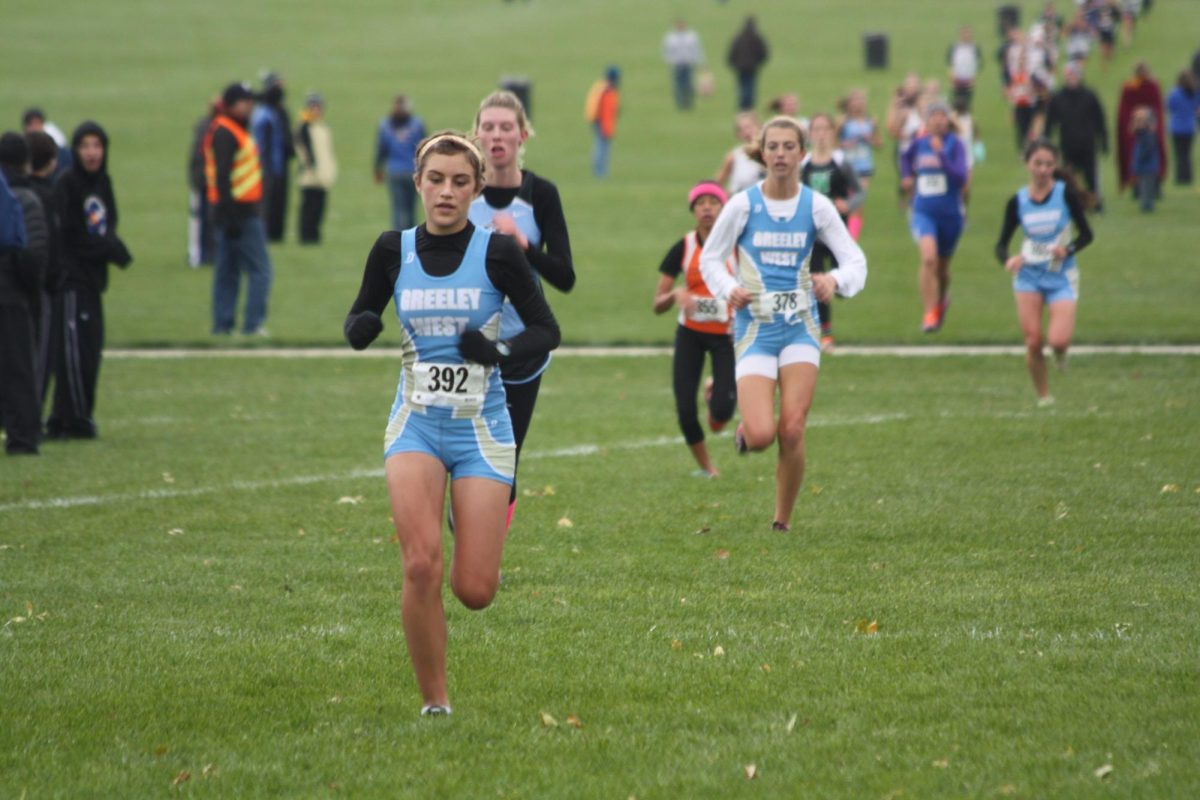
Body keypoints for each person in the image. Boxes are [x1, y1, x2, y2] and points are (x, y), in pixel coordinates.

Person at [341, 131, 560, 716]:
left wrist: (500, 352)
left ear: (476, 189)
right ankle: (435, 702)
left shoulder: (498, 253)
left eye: (460, 181)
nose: (446, 191)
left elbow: (546, 330)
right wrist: (359, 325)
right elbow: (361, 309)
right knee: (419, 565)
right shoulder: (393, 249)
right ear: (417, 183)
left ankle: (466, 521)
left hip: (481, 431)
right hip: (415, 425)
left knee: (475, 591)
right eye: (435, 179)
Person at [699, 116, 867, 532]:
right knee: (761, 436)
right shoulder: (742, 204)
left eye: (788, 147)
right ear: (762, 152)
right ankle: (747, 428)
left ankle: (782, 521)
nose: (780, 155)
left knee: (792, 428)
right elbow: (709, 258)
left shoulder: (816, 206)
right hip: (755, 329)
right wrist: (727, 288)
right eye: (772, 147)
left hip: (800, 328)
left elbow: (855, 262)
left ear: (802, 153)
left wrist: (833, 280)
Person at [468, 90, 576, 527]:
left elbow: (565, 277)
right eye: (489, 127)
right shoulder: (461, 194)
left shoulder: (541, 195)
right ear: (476, 135)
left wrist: (524, 245)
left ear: (522, 134)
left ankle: (485, 555)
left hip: (521, 349)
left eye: (506, 127)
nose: (497, 136)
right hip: (466, 348)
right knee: (465, 457)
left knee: (504, 460)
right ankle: (467, 530)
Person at [46, 121, 132, 440]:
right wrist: (111, 249)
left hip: (94, 280)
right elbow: (69, 235)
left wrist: (111, 246)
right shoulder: (68, 184)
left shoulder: (102, 182)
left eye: (97, 146)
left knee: (91, 349)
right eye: (85, 146)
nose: (92, 153)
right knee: (73, 353)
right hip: (71, 281)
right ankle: (75, 420)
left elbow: (107, 224)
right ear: (76, 150)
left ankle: (66, 417)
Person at [995, 139, 1094, 405]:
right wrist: (1009, 259)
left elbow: (1086, 235)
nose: (1043, 169)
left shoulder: (1065, 194)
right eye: (1038, 163)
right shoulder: (1017, 201)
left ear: (1054, 166)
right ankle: (1044, 396)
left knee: (1058, 340)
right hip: (1028, 276)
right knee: (1034, 341)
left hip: (1061, 276)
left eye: (1049, 164)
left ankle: (1061, 355)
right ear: (1028, 164)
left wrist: (1068, 249)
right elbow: (1001, 244)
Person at [652, 181, 736, 477]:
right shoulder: (684, 247)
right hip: (690, 335)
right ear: (693, 210)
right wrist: (676, 295)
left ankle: (715, 394)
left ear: (723, 209)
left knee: (724, 412)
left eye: (714, 202)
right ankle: (707, 469)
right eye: (701, 203)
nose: (707, 208)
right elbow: (657, 303)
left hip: (727, 336)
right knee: (685, 409)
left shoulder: (736, 247)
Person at [204, 82, 273, 337]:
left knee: (228, 271)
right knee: (260, 271)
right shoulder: (226, 132)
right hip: (239, 214)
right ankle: (252, 325)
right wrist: (231, 216)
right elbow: (222, 176)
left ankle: (223, 326)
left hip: (231, 214)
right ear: (232, 104)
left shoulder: (232, 129)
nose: (250, 105)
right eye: (245, 101)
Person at [900, 101, 968, 333]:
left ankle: (941, 300)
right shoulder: (918, 143)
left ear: (948, 120)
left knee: (942, 270)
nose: (938, 120)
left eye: (942, 116)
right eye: (933, 116)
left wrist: (942, 155)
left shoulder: (955, 144)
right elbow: (905, 159)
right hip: (923, 211)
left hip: (950, 215)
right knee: (928, 259)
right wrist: (907, 177)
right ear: (926, 121)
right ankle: (929, 313)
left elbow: (960, 178)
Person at [0, 133, 48, 455]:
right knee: (19, 368)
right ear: (25, 162)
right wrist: (33, 292)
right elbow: (27, 251)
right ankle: (23, 437)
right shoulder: (24, 198)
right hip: (11, 293)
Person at [801, 112, 865, 352]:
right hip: (813, 235)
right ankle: (825, 333)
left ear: (832, 133)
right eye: (816, 129)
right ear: (810, 134)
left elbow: (859, 192)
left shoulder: (841, 162)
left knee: (843, 282)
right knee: (817, 280)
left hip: (838, 234)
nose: (820, 134)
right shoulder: (804, 164)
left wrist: (848, 205)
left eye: (825, 129)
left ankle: (838, 292)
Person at [24, 131, 61, 408]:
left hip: (15, 284)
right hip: (41, 288)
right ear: (52, 162)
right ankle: (29, 420)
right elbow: (51, 246)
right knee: (40, 357)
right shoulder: (47, 197)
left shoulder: (14, 193)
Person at [1045, 61, 1109, 208]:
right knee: (1068, 178)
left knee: (1091, 177)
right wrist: (1046, 141)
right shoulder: (1058, 97)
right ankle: (1070, 206)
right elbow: (1050, 121)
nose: (1071, 79)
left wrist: (1104, 140)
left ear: (1080, 77)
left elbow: (1100, 119)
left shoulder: (1090, 96)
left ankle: (1096, 204)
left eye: (1074, 76)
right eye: (1069, 76)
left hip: (1088, 144)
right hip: (1068, 144)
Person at [250, 72, 295, 243]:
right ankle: (266, 234)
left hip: (274, 165)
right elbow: (266, 145)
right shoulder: (266, 115)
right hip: (268, 166)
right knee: (267, 203)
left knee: (275, 202)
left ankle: (273, 235)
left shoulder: (267, 112)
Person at [375, 95, 426, 232]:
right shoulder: (416, 125)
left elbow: (381, 149)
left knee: (397, 208)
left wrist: (378, 169)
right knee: (410, 208)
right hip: (412, 171)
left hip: (395, 171)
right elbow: (424, 149)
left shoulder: (385, 126)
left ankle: (397, 237)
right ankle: (411, 236)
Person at [1116, 62, 1166, 193]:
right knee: (1136, 156)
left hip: (1147, 129)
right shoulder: (1131, 86)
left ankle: (1152, 186)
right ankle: (1138, 186)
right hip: (1137, 129)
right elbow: (1125, 109)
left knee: (1148, 156)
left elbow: (1156, 106)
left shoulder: (1151, 85)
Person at [836, 88, 880, 238]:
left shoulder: (870, 121)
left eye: (861, 100)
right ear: (849, 103)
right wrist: (845, 144)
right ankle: (843, 233)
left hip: (864, 168)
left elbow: (879, 143)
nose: (859, 103)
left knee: (858, 203)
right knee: (845, 202)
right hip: (846, 168)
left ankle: (852, 237)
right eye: (855, 100)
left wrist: (870, 138)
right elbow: (833, 143)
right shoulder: (843, 122)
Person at [295, 92, 338, 244]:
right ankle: (306, 237)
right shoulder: (304, 126)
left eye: (318, 106)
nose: (316, 110)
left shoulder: (321, 127)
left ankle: (314, 236)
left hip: (323, 177)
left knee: (319, 209)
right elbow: (303, 151)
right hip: (310, 177)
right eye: (313, 106)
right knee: (309, 209)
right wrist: (311, 168)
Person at [187, 98, 219, 267]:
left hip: (206, 179)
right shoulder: (208, 128)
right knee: (201, 219)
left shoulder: (207, 126)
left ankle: (208, 254)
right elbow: (201, 156)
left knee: (208, 218)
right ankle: (198, 256)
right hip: (204, 180)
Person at [715, 111, 764, 194]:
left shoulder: (770, 153)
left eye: (749, 127)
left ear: (760, 127)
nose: (747, 132)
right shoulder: (734, 156)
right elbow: (716, 184)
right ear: (738, 134)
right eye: (742, 129)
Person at [661, 19, 705, 111]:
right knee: (678, 85)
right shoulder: (671, 38)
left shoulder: (691, 36)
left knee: (688, 84)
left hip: (687, 64)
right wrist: (670, 61)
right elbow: (666, 51)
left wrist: (701, 62)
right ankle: (680, 104)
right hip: (677, 65)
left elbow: (697, 49)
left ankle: (688, 103)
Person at [727, 16, 769, 112]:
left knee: (742, 86)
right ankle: (749, 106)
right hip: (752, 66)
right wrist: (759, 62)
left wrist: (732, 63)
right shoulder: (757, 36)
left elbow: (732, 51)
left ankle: (743, 106)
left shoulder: (738, 36)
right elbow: (764, 51)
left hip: (740, 66)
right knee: (750, 87)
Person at [1166, 71, 1199, 185]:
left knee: (1179, 154)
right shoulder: (1195, 92)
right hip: (1190, 126)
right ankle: (1188, 177)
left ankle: (1180, 178)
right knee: (1188, 153)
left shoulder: (1174, 93)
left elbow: (1169, 107)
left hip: (1177, 127)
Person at [587, 66, 621, 178]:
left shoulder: (602, 87)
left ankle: (600, 171)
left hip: (600, 122)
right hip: (602, 123)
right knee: (601, 147)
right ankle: (600, 171)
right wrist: (606, 127)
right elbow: (606, 111)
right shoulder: (607, 90)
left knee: (601, 146)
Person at [21, 108, 72, 176]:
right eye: (32, 124)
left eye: (38, 123)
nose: (35, 128)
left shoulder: (55, 144)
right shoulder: (21, 148)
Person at [1130, 107, 1160, 212]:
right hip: (1143, 166)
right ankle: (1145, 204)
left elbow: (1148, 149)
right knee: (1143, 187)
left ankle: (1147, 205)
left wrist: (1140, 158)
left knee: (1147, 187)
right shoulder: (1140, 135)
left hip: (1148, 166)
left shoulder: (1148, 135)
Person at [946, 26, 983, 112]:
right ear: (960, 35)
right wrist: (951, 77)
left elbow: (977, 65)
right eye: (964, 34)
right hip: (957, 78)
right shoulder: (954, 47)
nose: (966, 36)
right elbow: (950, 64)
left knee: (967, 102)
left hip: (969, 79)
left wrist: (974, 78)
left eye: (968, 34)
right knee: (955, 101)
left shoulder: (974, 48)